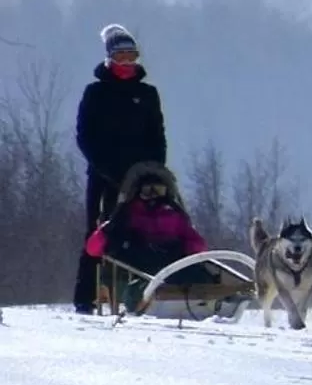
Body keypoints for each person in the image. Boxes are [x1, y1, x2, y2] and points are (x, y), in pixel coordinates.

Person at [72, 24, 169, 313]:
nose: (127, 63)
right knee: (97, 232)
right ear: (110, 59)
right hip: (103, 175)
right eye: (121, 57)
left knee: (140, 231)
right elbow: (84, 136)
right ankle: (85, 298)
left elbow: (157, 135)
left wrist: (155, 170)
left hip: (141, 176)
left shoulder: (147, 93)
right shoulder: (96, 93)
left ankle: (134, 293)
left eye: (132, 56)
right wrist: (105, 168)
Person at [84, 162, 211, 311]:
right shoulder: (126, 214)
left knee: (199, 274)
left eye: (158, 190)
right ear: (138, 192)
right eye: (148, 191)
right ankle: (140, 299)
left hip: (170, 264)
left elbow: (197, 244)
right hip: (136, 265)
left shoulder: (175, 215)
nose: (153, 195)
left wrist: (186, 248)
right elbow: (93, 248)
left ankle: (208, 298)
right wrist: (108, 233)